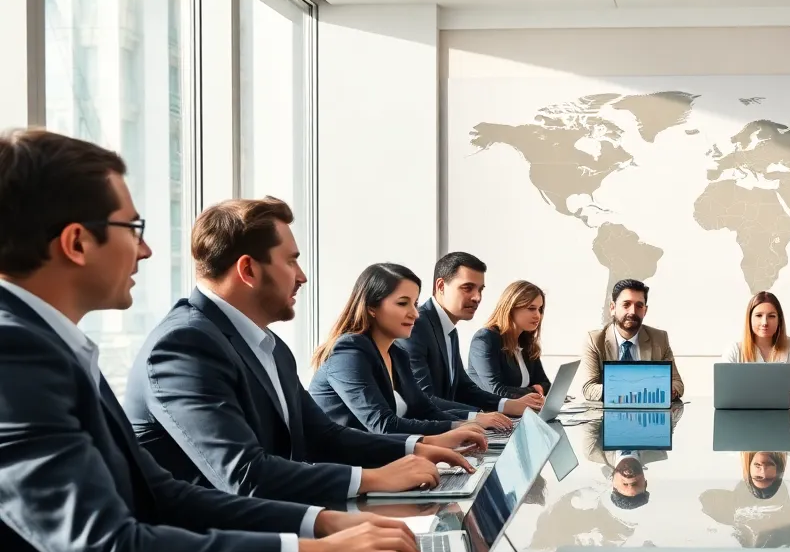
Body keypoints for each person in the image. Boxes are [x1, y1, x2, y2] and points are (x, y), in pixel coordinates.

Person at [0, 127, 419, 552]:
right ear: (77, 241)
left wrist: (324, 523)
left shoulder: (49, 344)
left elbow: (164, 495)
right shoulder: (16, 354)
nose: (147, 249)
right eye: (134, 227)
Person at [123, 198, 484, 506]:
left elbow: (322, 436)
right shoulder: (184, 344)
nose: (302, 276)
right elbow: (246, 476)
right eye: (291, 261)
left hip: (271, 526)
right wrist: (372, 480)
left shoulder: (271, 346)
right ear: (248, 269)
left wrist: (415, 450)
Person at [309, 263, 482, 436]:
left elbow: (425, 410)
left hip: (383, 456)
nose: (415, 313)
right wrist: (453, 429)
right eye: (402, 303)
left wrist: (466, 424)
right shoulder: (349, 352)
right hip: (343, 461)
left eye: (415, 304)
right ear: (371, 307)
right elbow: (383, 424)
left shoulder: (398, 355)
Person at [402, 252, 544, 425]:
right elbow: (423, 399)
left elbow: (464, 389)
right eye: (467, 288)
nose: (477, 297)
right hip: (426, 435)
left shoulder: (449, 329)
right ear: (441, 286)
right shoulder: (416, 327)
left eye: (480, 289)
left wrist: (508, 405)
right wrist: (476, 416)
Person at [579, 278, 685, 401]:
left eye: (639, 306)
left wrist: (670, 390)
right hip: (608, 415)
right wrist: (637, 389)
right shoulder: (595, 340)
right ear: (612, 308)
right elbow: (589, 388)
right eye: (626, 304)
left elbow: (677, 384)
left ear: (645, 311)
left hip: (648, 415)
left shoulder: (659, 338)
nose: (633, 311)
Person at [467, 279, 552, 399]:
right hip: (490, 414)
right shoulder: (485, 340)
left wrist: (535, 390)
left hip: (521, 413)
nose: (538, 315)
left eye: (540, 309)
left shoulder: (526, 341)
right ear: (511, 308)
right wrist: (533, 390)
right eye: (531, 308)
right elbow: (496, 390)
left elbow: (546, 384)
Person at [721, 291, 790, 403]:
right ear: (749, 319)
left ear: (779, 320)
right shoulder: (734, 349)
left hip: (782, 415)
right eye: (758, 315)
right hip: (744, 415)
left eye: (771, 316)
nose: (765, 322)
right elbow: (724, 389)